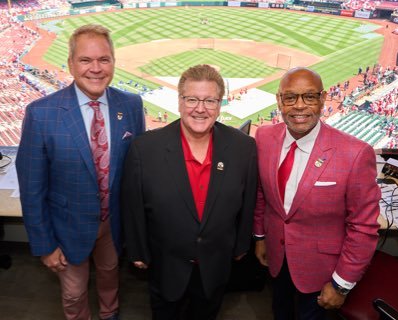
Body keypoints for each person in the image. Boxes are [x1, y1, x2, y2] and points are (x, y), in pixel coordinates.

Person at [16, 24, 145, 320]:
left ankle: (109, 314)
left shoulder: (131, 105)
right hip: (67, 228)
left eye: (104, 59)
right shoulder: (41, 113)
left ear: (113, 61)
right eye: (86, 60)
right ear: (71, 64)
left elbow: (136, 173)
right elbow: (32, 188)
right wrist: (45, 245)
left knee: (110, 276)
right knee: (74, 294)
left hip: (113, 224)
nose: (96, 69)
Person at [121, 64, 258, 320]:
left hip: (215, 264)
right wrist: (137, 250)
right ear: (180, 101)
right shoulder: (145, 148)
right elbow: (133, 206)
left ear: (219, 104)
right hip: (165, 265)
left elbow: (248, 201)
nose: (200, 108)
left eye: (209, 100)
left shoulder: (243, 147)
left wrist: (241, 245)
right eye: (192, 99)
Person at [253, 67, 381, 320]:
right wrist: (260, 236)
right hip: (277, 260)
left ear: (323, 99)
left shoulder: (355, 154)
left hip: (323, 274)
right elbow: (262, 194)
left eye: (309, 96)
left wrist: (341, 284)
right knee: (280, 312)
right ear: (279, 100)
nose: (299, 106)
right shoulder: (264, 137)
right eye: (290, 97)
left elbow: (363, 227)